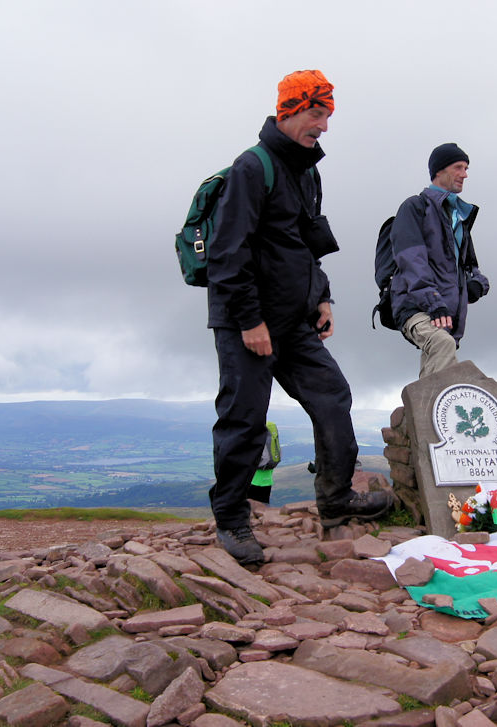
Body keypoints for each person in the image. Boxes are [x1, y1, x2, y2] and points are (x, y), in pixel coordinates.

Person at [205, 70, 393, 566]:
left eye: (328, 116)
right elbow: (228, 253)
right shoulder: (252, 168)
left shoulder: (308, 171)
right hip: (247, 322)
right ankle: (231, 519)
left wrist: (322, 298)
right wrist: (249, 321)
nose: (324, 126)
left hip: (293, 319)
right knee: (244, 420)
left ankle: (336, 498)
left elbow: (307, 245)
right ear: (289, 110)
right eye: (317, 114)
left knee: (332, 396)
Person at [387, 143, 490, 378]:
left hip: (447, 313)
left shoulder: (459, 218)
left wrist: (478, 285)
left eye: (466, 168)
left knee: (436, 364)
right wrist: (434, 302)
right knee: (442, 345)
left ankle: (414, 415)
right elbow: (411, 259)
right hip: (416, 305)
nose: (465, 174)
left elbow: (472, 267)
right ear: (439, 171)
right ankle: (432, 415)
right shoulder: (415, 207)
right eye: (459, 167)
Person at [248, 422, 280, 504]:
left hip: (253, 481)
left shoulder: (254, 430)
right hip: (267, 481)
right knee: (264, 508)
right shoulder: (270, 428)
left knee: (252, 510)